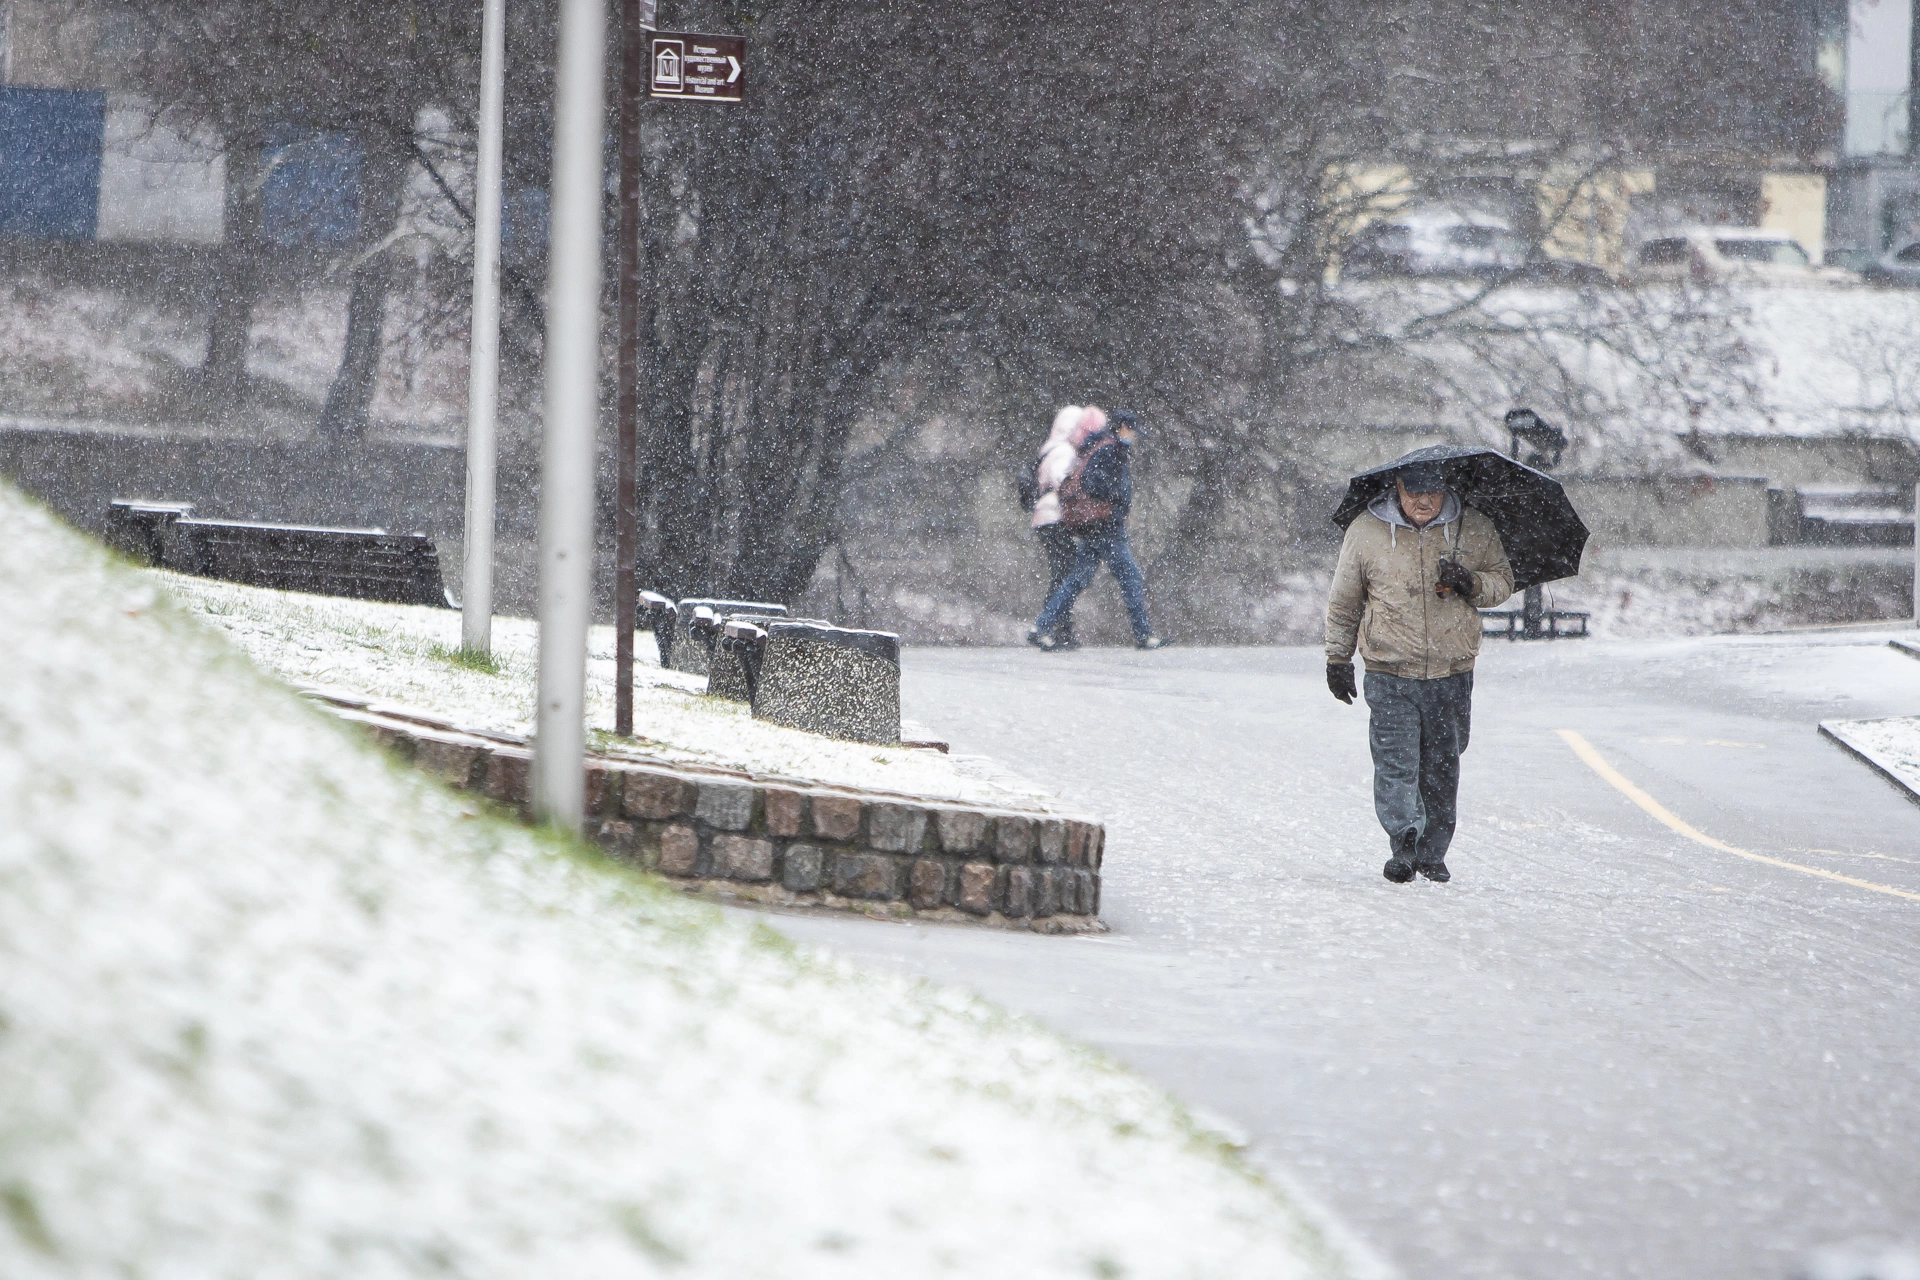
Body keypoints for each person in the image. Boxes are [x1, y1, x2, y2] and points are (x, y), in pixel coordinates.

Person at [1324, 460, 1513, 883]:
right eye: (1415, 492)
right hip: (1389, 669)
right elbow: (1344, 600)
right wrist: (1338, 658)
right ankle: (1404, 839)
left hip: (1452, 670)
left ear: (1446, 489)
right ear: (1397, 487)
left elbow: (1503, 581)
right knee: (1396, 762)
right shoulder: (1366, 531)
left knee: (1443, 765)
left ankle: (1433, 852)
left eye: (1434, 492)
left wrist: (1471, 582)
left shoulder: (1474, 527)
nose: (1425, 501)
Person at [1029, 407, 1168, 651]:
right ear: (1123, 428)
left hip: (1096, 527)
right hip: (1107, 528)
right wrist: (1115, 501)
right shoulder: (1109, 450)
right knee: (1130, 577)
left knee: (1076, 580)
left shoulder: (1102, 448)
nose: (1134, 436)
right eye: (1132, 431)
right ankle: (1143, 634)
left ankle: (1041, 626)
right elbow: (1092, 483)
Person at [1027, 406, 1086, 649]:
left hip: (1044, 517)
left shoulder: (1049, 449)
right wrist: (1080, 495)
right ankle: (1049, 627)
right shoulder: (1064, 452)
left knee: (1062, 574)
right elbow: (1060, 480)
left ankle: (1059, 628)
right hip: (1054, 517)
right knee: (1065, 576)